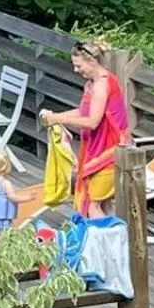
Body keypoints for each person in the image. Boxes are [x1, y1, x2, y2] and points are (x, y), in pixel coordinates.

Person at [38, 37, 131, 217]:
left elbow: (92, 121)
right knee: (101, 205)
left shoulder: (102, 84)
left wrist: (58, 118)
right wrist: (55, 118)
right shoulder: (91, 84)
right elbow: (83, 111)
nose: (76, 70)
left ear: (92, 61)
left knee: (92, 206)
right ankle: (109, 240)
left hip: (111, 150)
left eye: (79, 66)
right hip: (96, 147)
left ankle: (101, 242)